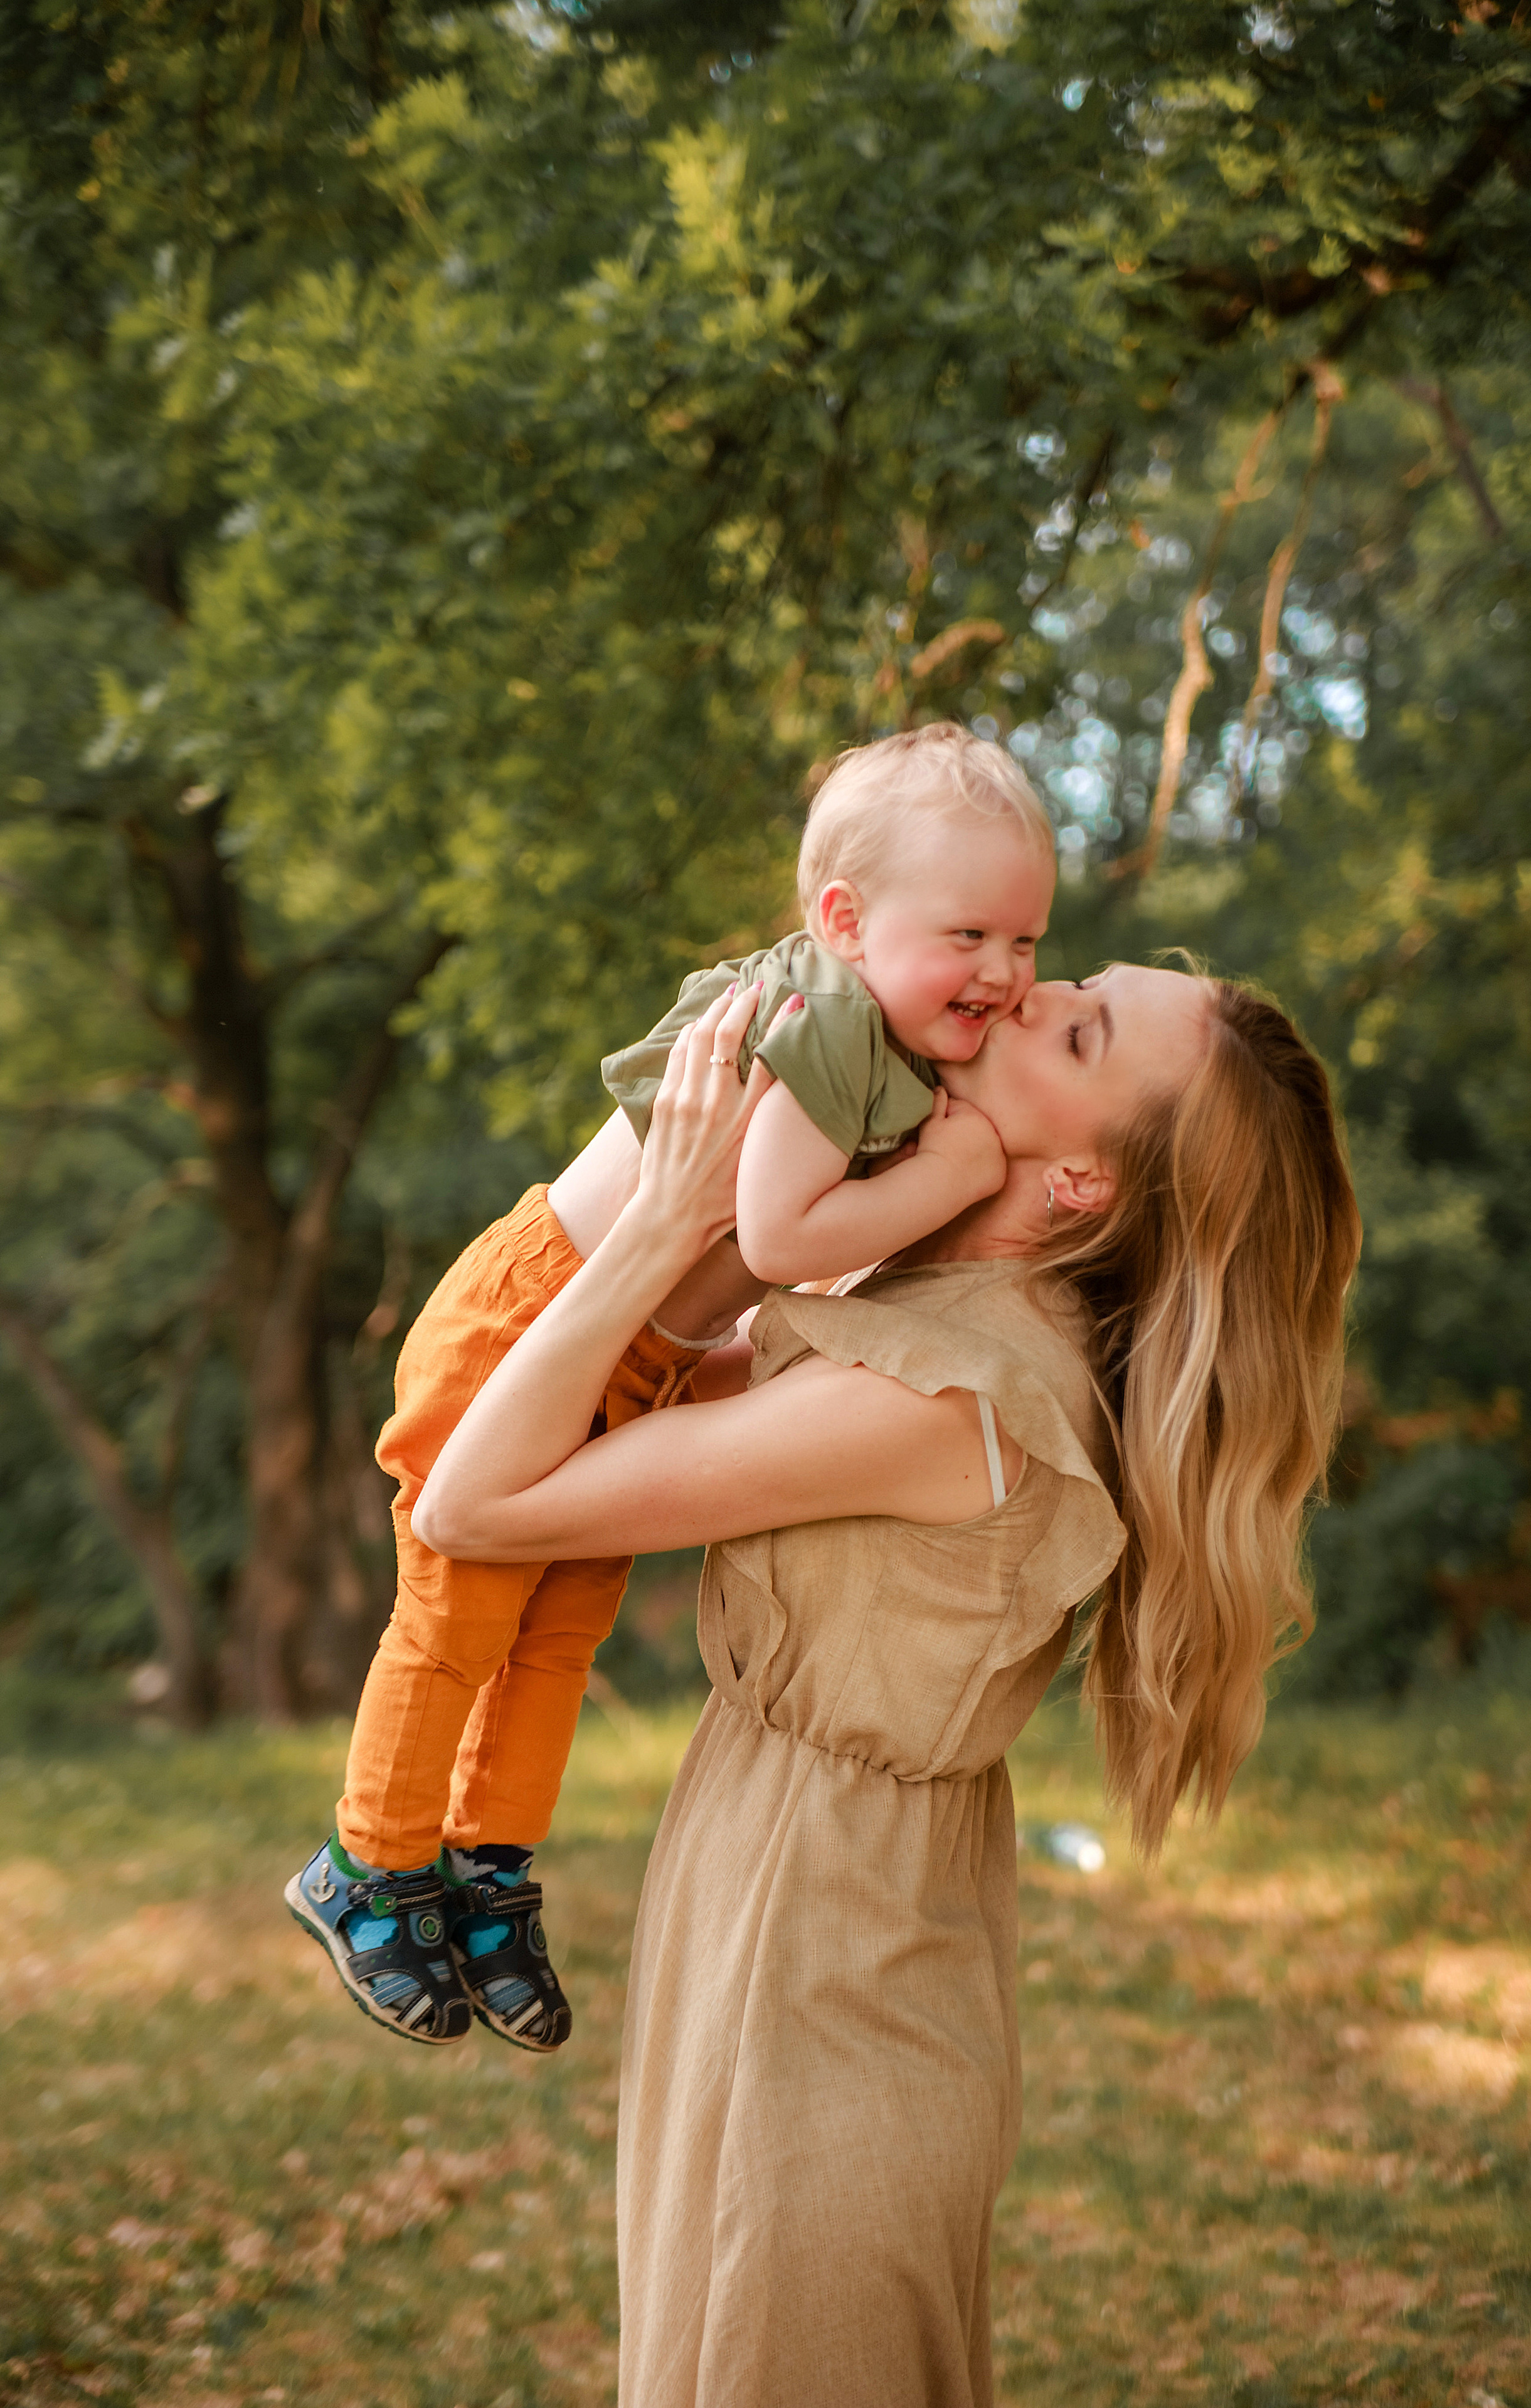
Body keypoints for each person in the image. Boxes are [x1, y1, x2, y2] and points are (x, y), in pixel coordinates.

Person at [410, 964, 1363, 2408]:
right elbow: (648, 1385)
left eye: (1078, 1032)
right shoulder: (936, 1302)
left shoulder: (944, 1390)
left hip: (818, 1950)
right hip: (802, 1887)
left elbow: (472, 1502)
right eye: (1071, 979)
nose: (1023, 993)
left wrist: (665, 1216)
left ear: (1079, 1184)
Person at [284, 725, 1055, 2054]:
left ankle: (482, 1870)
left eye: (1026, 941)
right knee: (459, 1619)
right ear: (844, 922)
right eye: (969, 935)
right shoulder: (822, 1019)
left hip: (640, 1357)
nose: (1001, 971)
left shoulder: (896, 1043)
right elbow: (780, 1237)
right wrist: (952, 1173)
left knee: (557, 1634)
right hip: (531, 1320)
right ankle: (366, 1865)